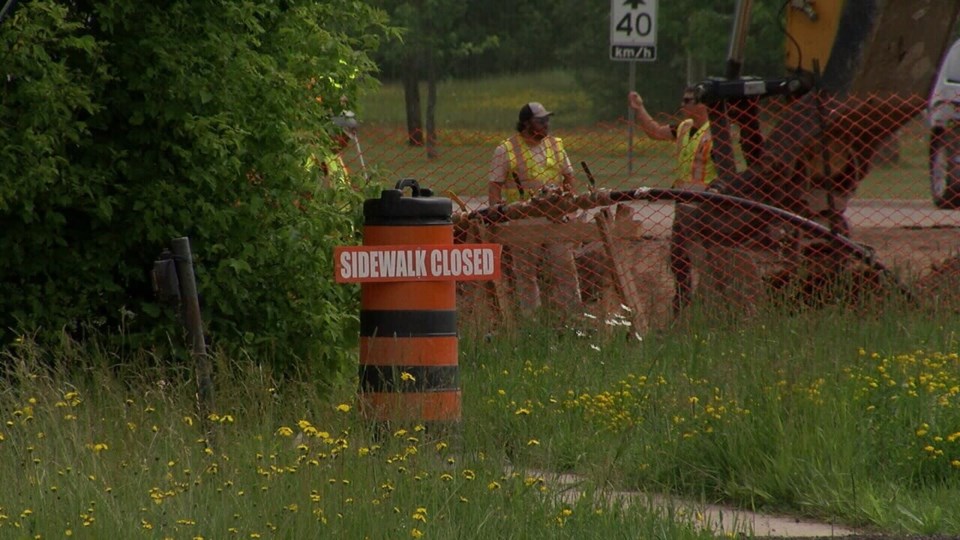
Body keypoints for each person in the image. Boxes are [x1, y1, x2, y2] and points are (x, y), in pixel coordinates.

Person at [488, 102, 581, 315]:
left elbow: (569, 176)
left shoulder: (556, 145)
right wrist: (497, 214)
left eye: (547, 120)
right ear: (526, 123)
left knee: (565, 267)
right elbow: (495, 185)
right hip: (523, 218)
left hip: (555, 216)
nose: (546, 124)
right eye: (541, 121)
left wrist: (571, 208)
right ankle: (531, 318)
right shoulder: (506, 149)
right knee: (526, 273)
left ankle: (573, 315)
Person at [629, 88, 717, 189]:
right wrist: (639, 107)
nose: (682, 104)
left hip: (706, 199)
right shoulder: (684, 126)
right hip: (682, 197)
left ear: (702, 104)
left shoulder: (716, 133)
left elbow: (726, 173)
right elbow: (655, 132)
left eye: (687, 101)